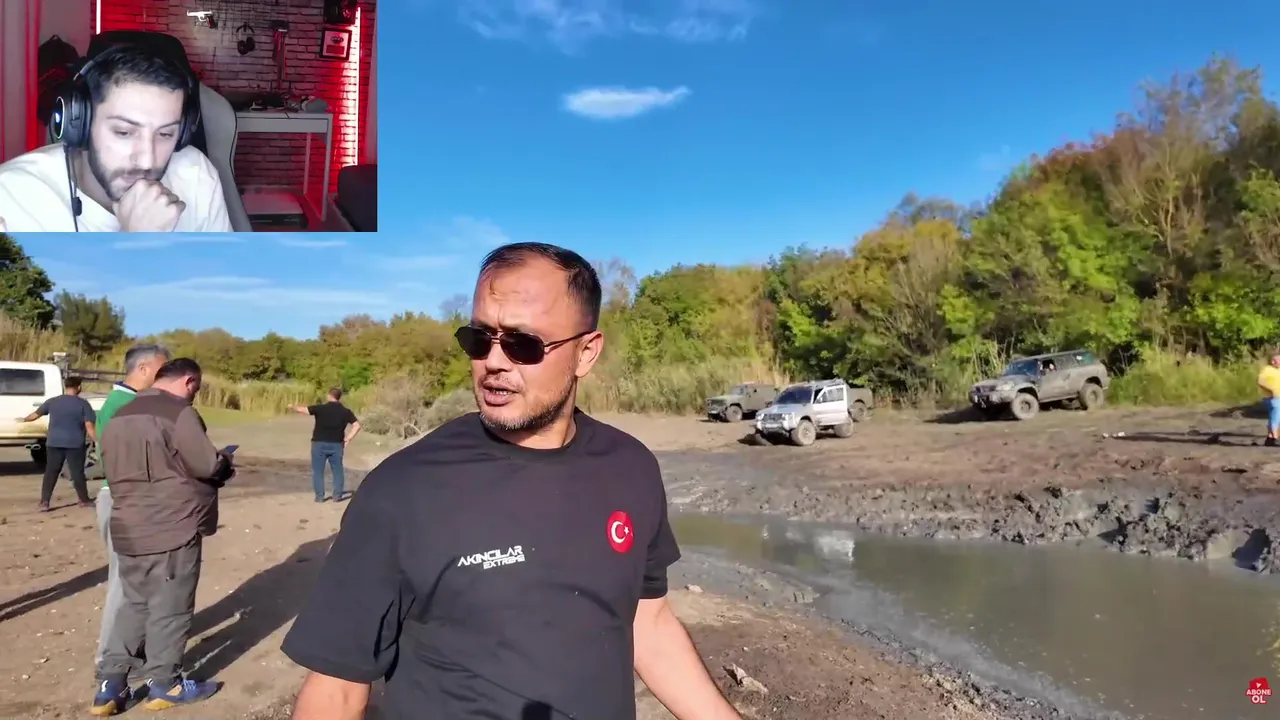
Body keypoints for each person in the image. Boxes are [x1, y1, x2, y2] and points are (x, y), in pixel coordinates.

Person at [281, 243, 741, 720]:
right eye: (479, 339)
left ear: (586, 353)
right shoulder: (402, 491)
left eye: (523, 344)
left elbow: (649, 624)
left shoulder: (631, 467)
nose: (494, 362)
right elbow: (336, 690)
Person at [92, 358, 232, 715]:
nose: (195, 394)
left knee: (133, 604)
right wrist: (225, 463)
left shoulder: (119, 414)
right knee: (170, 606)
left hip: (127, 523)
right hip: (172, 525)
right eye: (196, 387)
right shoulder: (178, 413)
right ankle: (166, 685)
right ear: (188, 381)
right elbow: (206, 464)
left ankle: (110, 686)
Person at [0, 43, 232, 232]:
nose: (147, 161)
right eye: (124, 132)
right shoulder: (11, 199)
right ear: (81, 125)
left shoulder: (195, 175)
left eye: (165, 134)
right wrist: (135, 246)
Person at [92, 344, 171, 677]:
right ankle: (109, 659)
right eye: (162, 370)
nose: (166, 377)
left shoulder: (123, 402)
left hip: (124, 497)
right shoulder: (125, 405)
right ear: (143, 369)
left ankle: (127, 651)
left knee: (136, 583)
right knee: (125, 584)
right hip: (126, 499)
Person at [16, 375, 97, 511]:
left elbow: (36, 414)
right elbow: (89, 426)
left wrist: (24, 419)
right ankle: (84, 500)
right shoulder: (83, 404)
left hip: (54, 442)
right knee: (77, 473)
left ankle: (44, 502)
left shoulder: (53, 401)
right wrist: (97, 441)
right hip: (74, 444)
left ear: (66, 386)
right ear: (79, 387)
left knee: (51, 472)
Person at [288, 388, 361, 503]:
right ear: (339, 397)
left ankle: (320, 497)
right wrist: (348, 439)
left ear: (329, 396)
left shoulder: (321, 408)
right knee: (337, 471)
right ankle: (337, 496)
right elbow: (357, 426)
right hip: (337, 445)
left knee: (318, 471)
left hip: (319, 443)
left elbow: (304, 410)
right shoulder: (346, 411)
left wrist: (292, 407)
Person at [1259, 353, 1280, 447]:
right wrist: (1271, 390)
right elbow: (1260, 381)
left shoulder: (1277, 370)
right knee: (1275, 418)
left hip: (1277, 397)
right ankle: (1275, 438)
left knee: (1274, 417)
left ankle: (1270, 438)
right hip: (1272, 398)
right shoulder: (1267, 370)